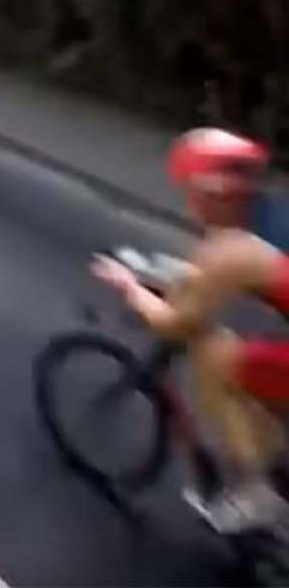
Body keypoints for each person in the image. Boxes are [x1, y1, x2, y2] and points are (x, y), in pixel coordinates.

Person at [92, 127, 289, 533]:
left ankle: (258, 492)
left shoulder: (231, 251)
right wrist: (168, 277)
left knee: (212, 350)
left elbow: (176, 322)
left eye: (190, 191)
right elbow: (207, 279)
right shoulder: (269, 218)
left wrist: (130, 286)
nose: (187, 201)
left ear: (215, 193)